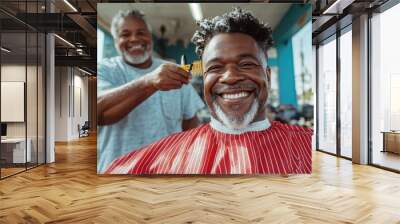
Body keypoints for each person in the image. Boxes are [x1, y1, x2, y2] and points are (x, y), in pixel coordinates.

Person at [103, 7, 312, 175]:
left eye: (247, 64)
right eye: (214, 67)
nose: (230, 77)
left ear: (268, 74)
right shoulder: (105, 70)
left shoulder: (311, 147)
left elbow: (189, 122)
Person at [97, 9, 205, 173]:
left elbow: (191, 123)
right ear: (116, 40)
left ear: (150, 36)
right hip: (117, 174)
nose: (134, 38)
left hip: (167, 174)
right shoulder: (104, 70)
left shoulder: (175, 71)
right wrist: (149, 81)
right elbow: (97, 111)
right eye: (125, 34)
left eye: (141, 32)